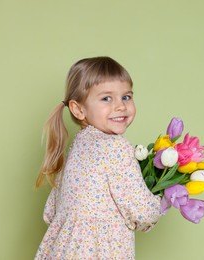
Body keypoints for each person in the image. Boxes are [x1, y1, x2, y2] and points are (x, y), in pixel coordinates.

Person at [35, 56, 161, 259]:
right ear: (78, 109)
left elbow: (51, 211)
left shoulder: (78, 147)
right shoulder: (115, 147)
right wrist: (160, 202)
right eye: (106, 98)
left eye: (126, 97)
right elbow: (142, 212)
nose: (120, 106)